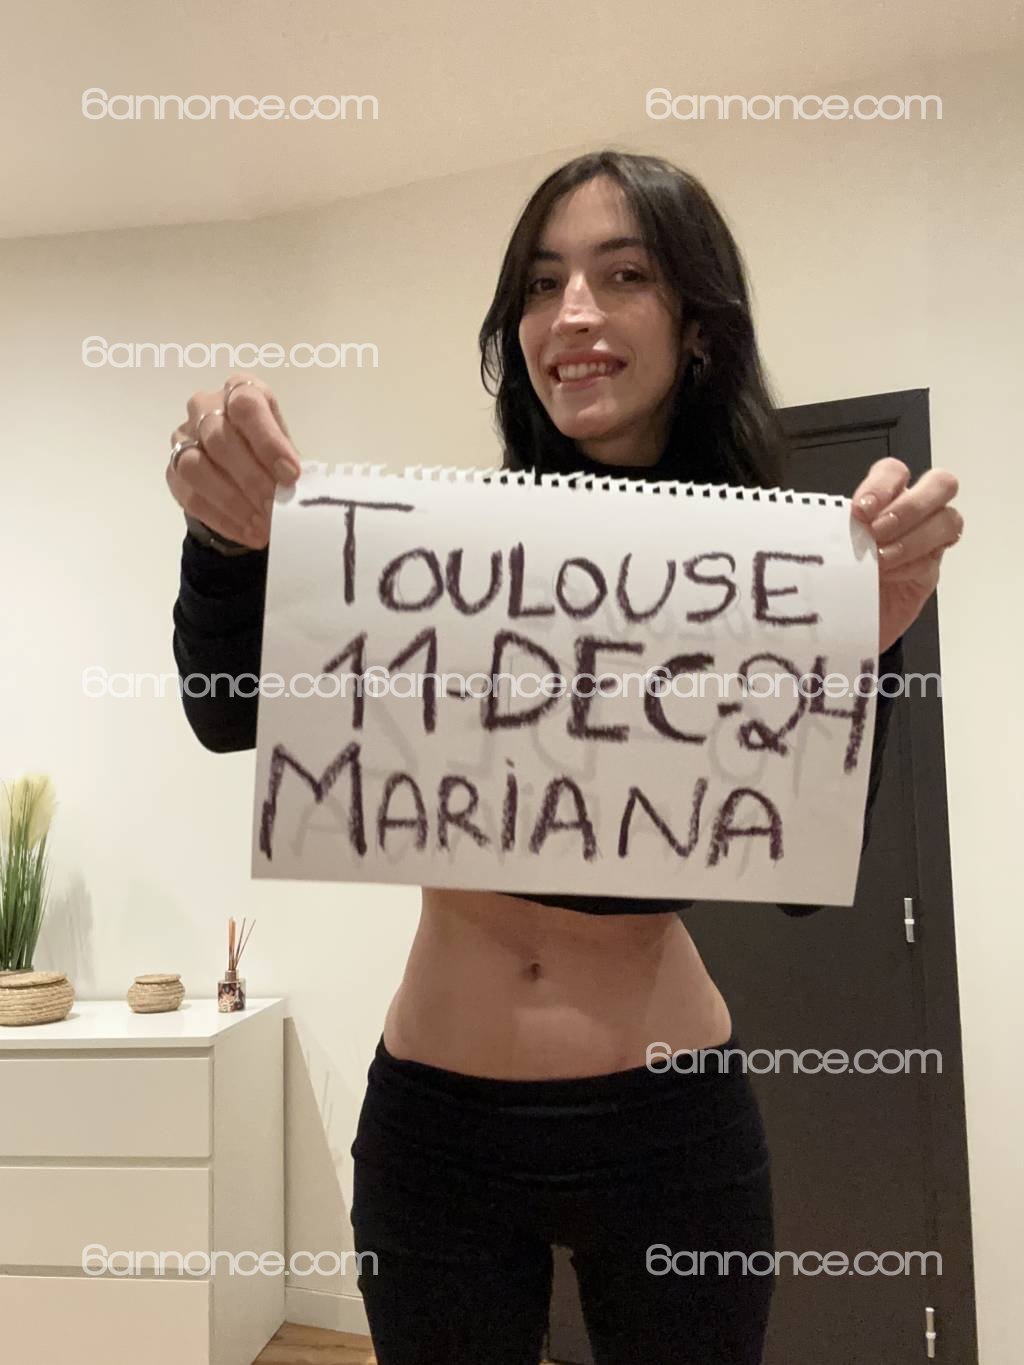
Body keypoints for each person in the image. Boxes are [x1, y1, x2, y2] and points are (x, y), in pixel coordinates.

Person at [167, 150, 963, 1364]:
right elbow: (229, 713)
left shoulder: (768, 571)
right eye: (542, 285)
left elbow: (803, 883)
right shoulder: (442, 550)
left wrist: (864, 659)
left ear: (695, 326)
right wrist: (224, 542)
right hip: (436, 1129)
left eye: (622, 275)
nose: (573, 313)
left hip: (667, 1126)